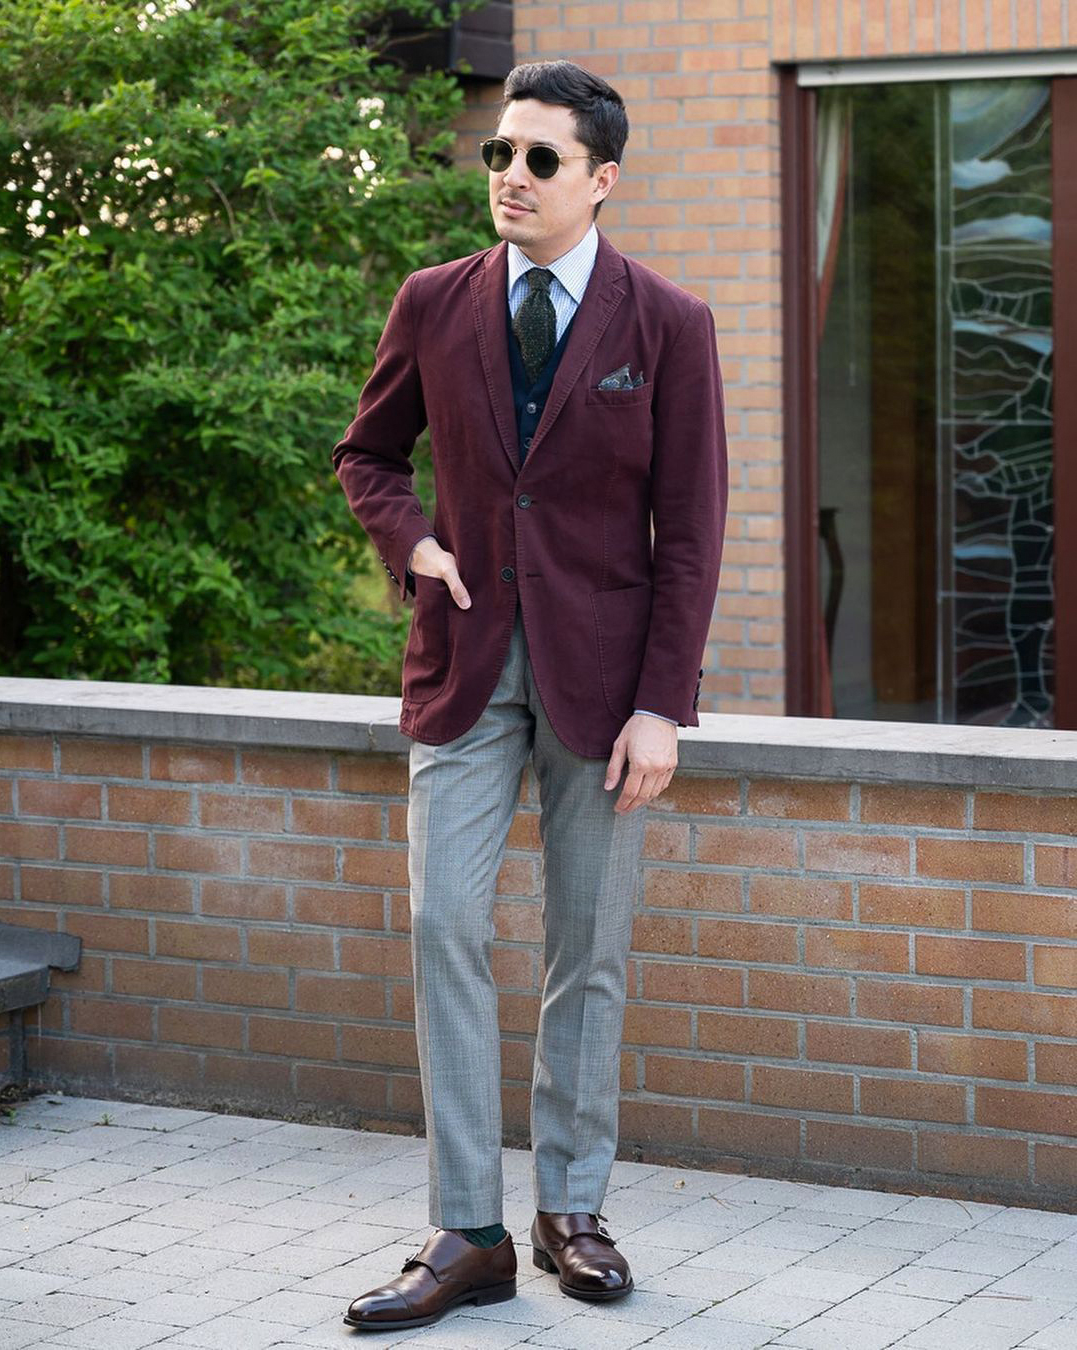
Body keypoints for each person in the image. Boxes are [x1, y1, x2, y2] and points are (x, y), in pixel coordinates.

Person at [331, 58, 728, 1333]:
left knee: (586, 953)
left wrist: (664, 702)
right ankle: (467, 1231)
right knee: (444, 924)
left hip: (606, 690)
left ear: (600, 180)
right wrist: (414, 545)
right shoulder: (433, 302)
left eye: (540, 159)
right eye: (501, 153)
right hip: (460, 668)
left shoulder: (669, 323)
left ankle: (571, 1212)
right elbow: (368, 452)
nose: (510, 175)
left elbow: (694, 530)